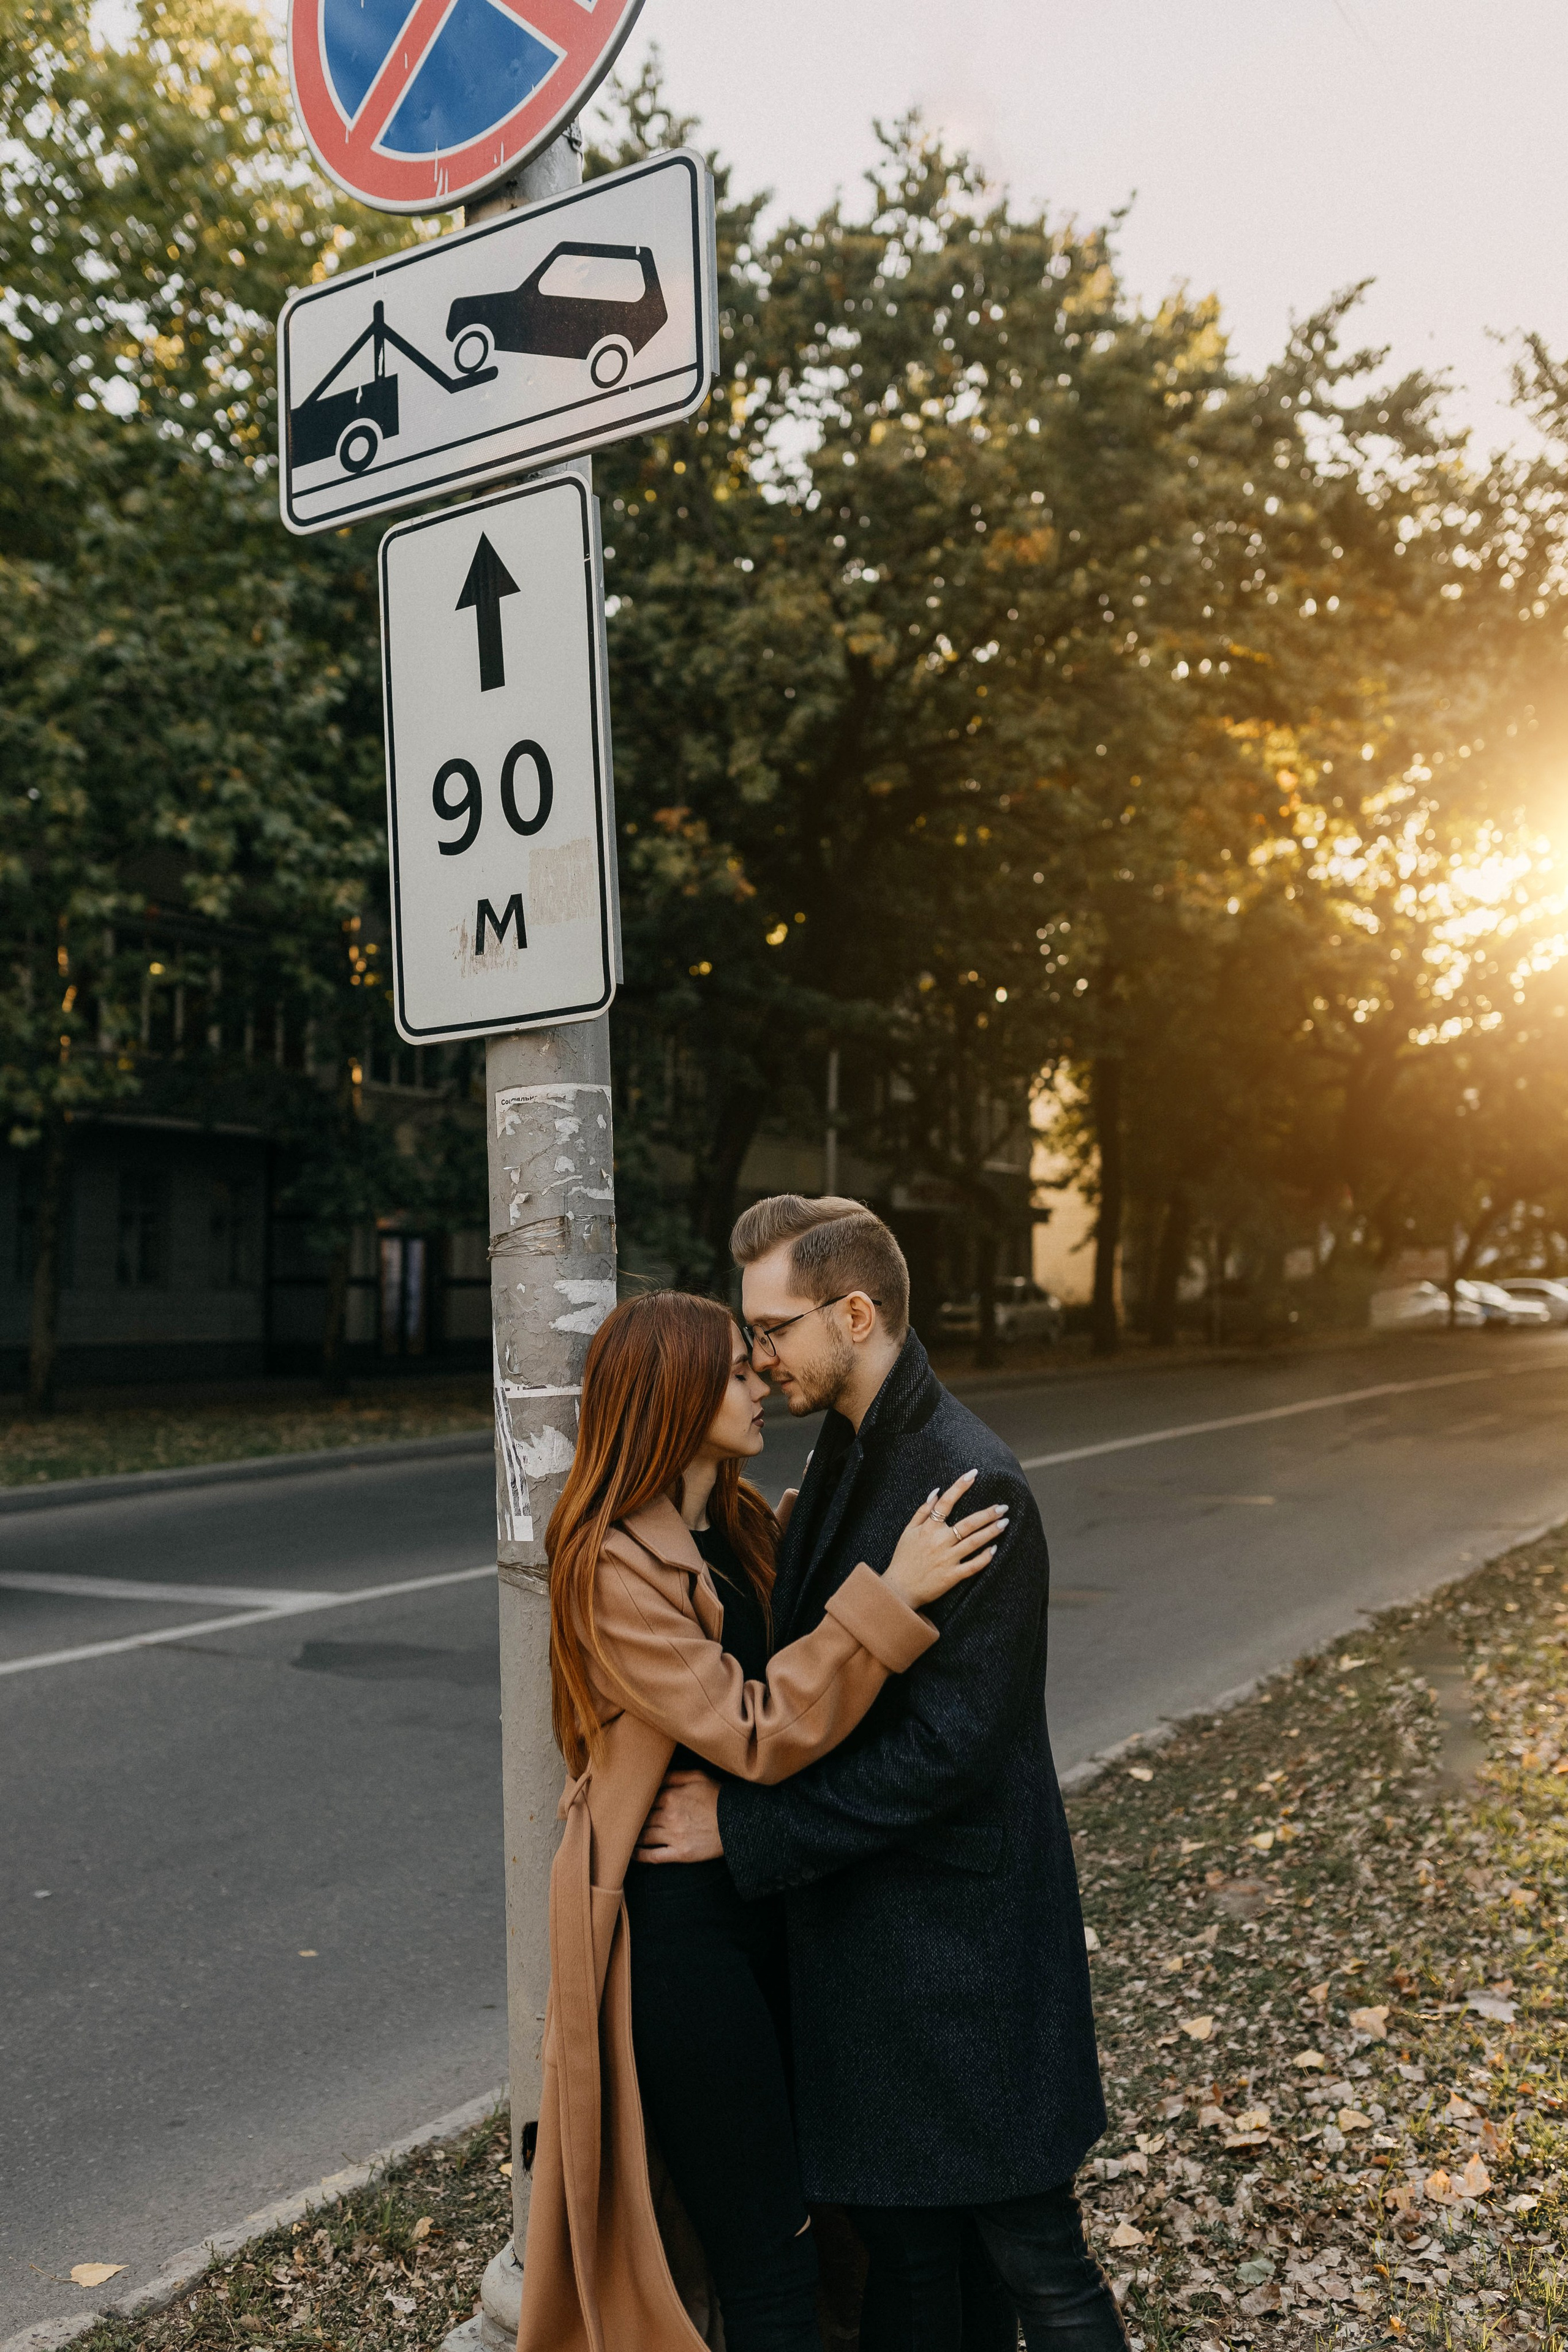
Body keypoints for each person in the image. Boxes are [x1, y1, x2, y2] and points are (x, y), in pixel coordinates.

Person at [635, 1198, 1126, 2352]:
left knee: (1033, 2257)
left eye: (772, 1328)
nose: (755, 1357)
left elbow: (947, 1751)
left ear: (855, 1314)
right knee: (910, 2261)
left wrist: (743, 1830)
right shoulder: (851, 1453)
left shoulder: (967, 1480)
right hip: (874, 1948)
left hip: (963, 1957)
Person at [515, 1288, 1008, 2352]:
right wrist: (896, 1591)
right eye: (736, 1371)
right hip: (678, 1940)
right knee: (766, 2248)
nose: (760, 1383)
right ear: (675, 1395)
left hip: (774, 1897)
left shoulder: (741, 1528)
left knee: (835, 2214)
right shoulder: (607, 1565)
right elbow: (752, 1723)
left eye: (756, 1362)